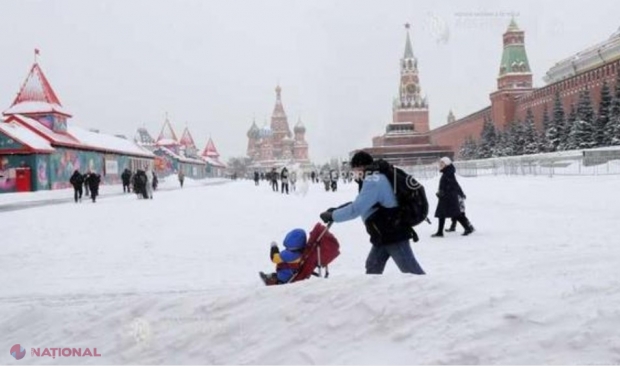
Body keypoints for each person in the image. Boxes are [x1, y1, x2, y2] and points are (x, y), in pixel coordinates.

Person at [319, 151, 425, 275]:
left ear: (361, 167)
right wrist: (336, 210)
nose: (353, 173)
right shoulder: (375, 177)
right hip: (383, 232)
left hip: (392, 232)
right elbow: (364, 204)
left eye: (354, 169)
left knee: (412, 272)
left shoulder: (373, 180)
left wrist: (333, 216)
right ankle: (372, 292)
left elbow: (356, 209)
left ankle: (432, 292)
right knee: (373, 265)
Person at [431, 157, 475, 237]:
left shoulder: (448, 173)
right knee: (442, 214)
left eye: (442, 163)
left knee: (456, 214)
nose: (440, 165)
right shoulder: (447, 172)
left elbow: (453, 185)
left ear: (447, 164)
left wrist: (444, 192)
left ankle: (468, 228)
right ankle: (440, 232)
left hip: (449, 197)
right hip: (446, 196)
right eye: (440, 163)